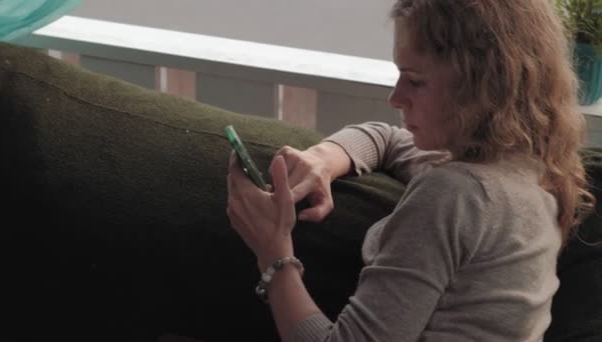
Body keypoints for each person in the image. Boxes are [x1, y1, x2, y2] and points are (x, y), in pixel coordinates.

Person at [226, 0, 595, 341]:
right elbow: (384, 138)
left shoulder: (455, 194)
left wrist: (272, 252)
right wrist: (324, 158)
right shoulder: (528, 170)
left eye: (415, 80)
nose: (395, 97)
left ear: (484, 86)